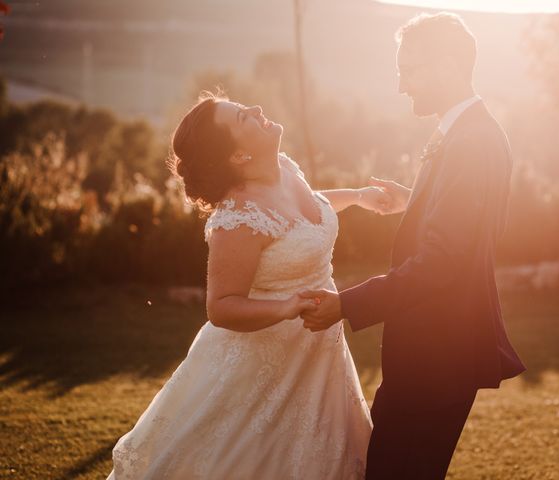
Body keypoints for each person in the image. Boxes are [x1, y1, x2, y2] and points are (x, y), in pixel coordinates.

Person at [106, 91, 390, 479]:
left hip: (320, 354)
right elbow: (221, 306)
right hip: (264, 368)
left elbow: (308, 209)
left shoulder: (286, 170)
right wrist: (289, 306)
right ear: (238, 156)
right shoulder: (238, 217)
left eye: (243, 108)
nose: (256, 109)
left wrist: (358, 197)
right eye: (242, 118)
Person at [300, 12, 526, 479]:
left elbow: (442, 262)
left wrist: (345, 304)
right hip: (434, 351)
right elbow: (471, 226)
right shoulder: (468, 131)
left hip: (438, 356)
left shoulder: (472, 140)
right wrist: (418, 203)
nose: (402, 85)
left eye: (410, 69)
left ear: (447, 65)